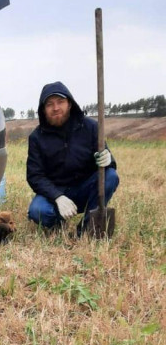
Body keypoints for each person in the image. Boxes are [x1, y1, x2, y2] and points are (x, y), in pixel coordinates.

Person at [27, 81, 119, 234]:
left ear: (69, 104)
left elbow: (108, 163)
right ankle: (57, 221)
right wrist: (57, 197)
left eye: (60, 102)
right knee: (38, 211)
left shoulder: (91, 127)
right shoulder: (36, 138)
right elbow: (34, 175)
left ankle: (87, 227)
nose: (56, 108)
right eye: (49, 104)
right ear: (43, 110)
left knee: (110, 176)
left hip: (86, 188)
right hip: (55, 192)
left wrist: (109, 160)